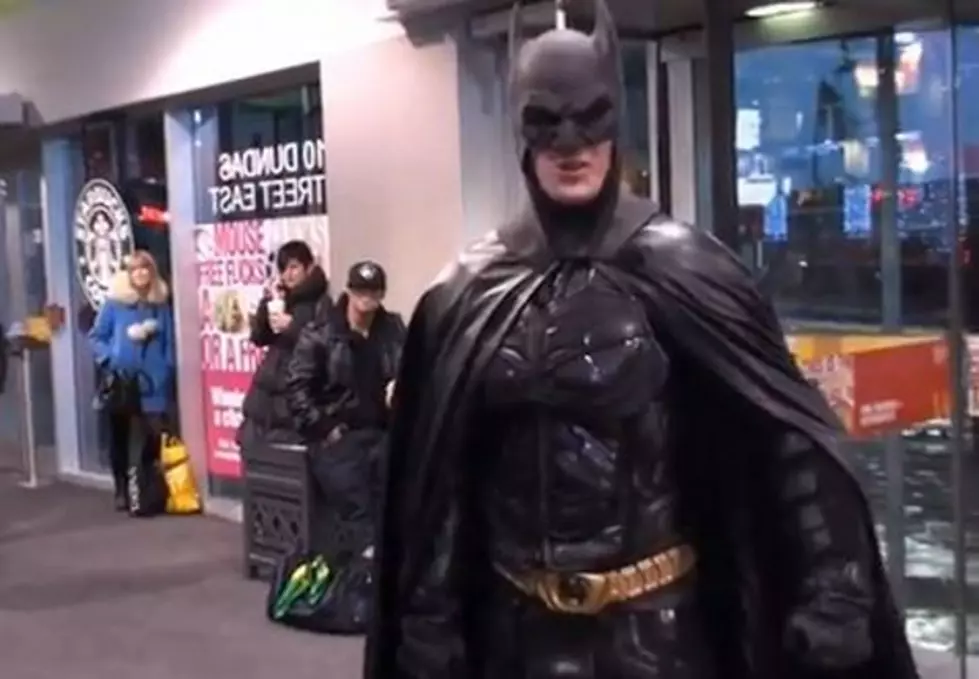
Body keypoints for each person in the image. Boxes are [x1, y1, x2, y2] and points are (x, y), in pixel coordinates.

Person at [367, 2, 919, 678]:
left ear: (615, 122)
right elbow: (442, 475)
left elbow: (786, 440)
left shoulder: (685, 267)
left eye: (589, 116)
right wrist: (428, 614)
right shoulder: (468, 290)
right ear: (520, 132)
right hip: (514, 635)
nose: (569, 143)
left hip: (660, 634)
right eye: (546, 121)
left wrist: (833, 587)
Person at [286, 260, 406, 559]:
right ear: (349, 292)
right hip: (339, 438)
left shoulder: (392, 330)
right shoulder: (321, 333)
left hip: (382, 434)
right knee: (359, 512)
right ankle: (362, 580)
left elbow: (414, 370)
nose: (367, 300)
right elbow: (298, 390)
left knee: (398, 508)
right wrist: (327, 429)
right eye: (361, 292)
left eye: (374, 292)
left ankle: (382, 580)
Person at [88, 250, 175, 511]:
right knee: (120, 437)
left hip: (153, 381)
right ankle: (121, 489)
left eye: (145, 268)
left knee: (151, 437)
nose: (140, 274)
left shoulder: (160, 305)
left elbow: (169, 343)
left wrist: (167, 370)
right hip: (122, 380)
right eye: (135, 270)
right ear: (127, 275)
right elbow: (96, 336)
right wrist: (109, 358)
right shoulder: (114, 304)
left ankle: (147, 490)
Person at [238, 240, 329, 448]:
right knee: (257, 459)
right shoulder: (283, 299)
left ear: (309, 267)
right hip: (266, 396)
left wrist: (293, 327)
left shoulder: (321, 303)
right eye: (284, 268)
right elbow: (260, 338)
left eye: (294, 267)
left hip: (294, 396)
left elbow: (325, 345)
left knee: (290, 463)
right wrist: (267, 302)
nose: (288, 274)